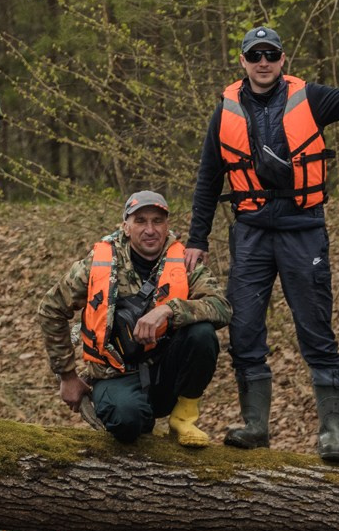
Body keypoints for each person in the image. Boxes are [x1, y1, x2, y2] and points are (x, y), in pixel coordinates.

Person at [186, 15, 339, 463]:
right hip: (252, 232)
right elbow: (207, 180)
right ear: (242, 60)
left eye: (270, 54)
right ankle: (256, 426)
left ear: (282, 59)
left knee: (316, 329)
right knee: (245, 329)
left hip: (303, 230)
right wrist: (198, 238)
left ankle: (331, 433)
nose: (263, 62)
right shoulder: (225, 111)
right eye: (254, 55)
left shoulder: (309, 97)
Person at [41, 188, 228, 447]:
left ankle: (183, 418)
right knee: (128, 423)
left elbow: (221, 307)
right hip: (113, 373)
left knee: (202, 333)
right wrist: (67, 375)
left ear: (167, 225)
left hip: (166, 372)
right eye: (140, 221)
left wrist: (169, 310)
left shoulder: (186, 263)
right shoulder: (97, 264)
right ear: (126, 227)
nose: (150, 229)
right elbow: (51, 308)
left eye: (157, 221)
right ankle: (137, 417)